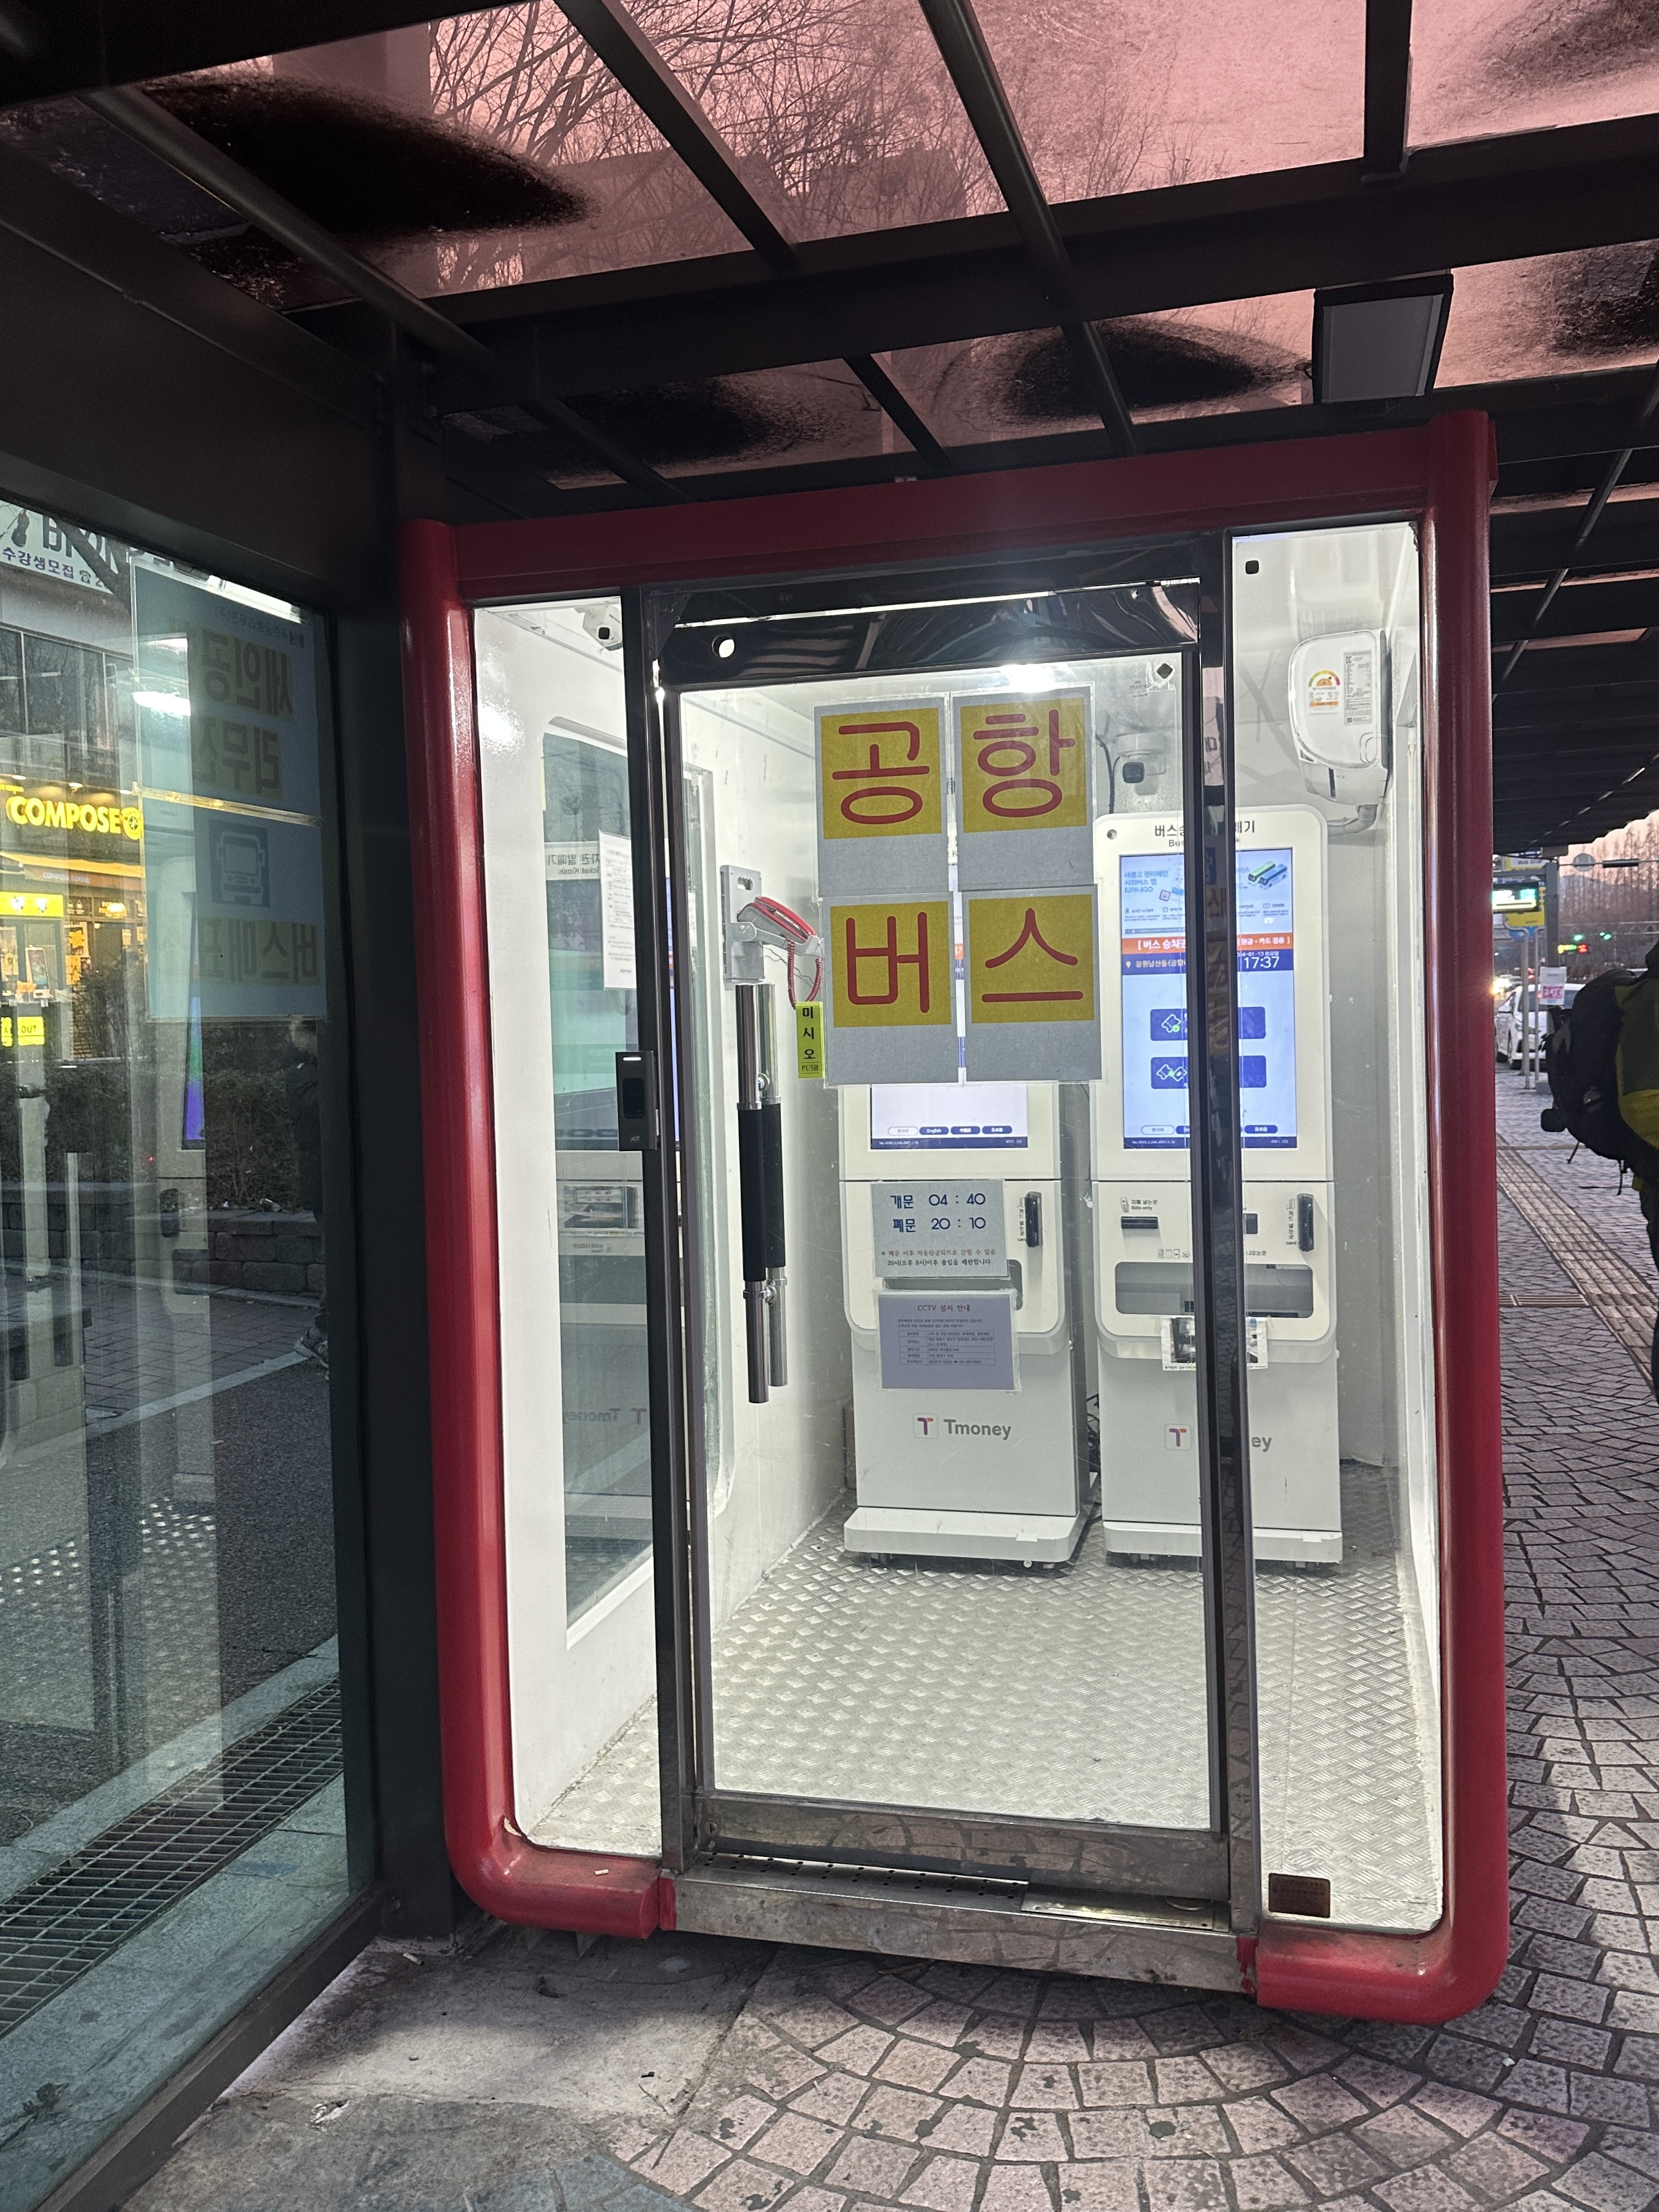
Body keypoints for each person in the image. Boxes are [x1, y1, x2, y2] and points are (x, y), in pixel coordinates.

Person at [285, 1015, 327, 1371]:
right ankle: (320, 1334)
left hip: (324, 1180)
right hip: (325, 1183)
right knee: (339, 1261)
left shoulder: (306, 1071)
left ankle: (322, 1333)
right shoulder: (301, 1074)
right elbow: (319, 1108)